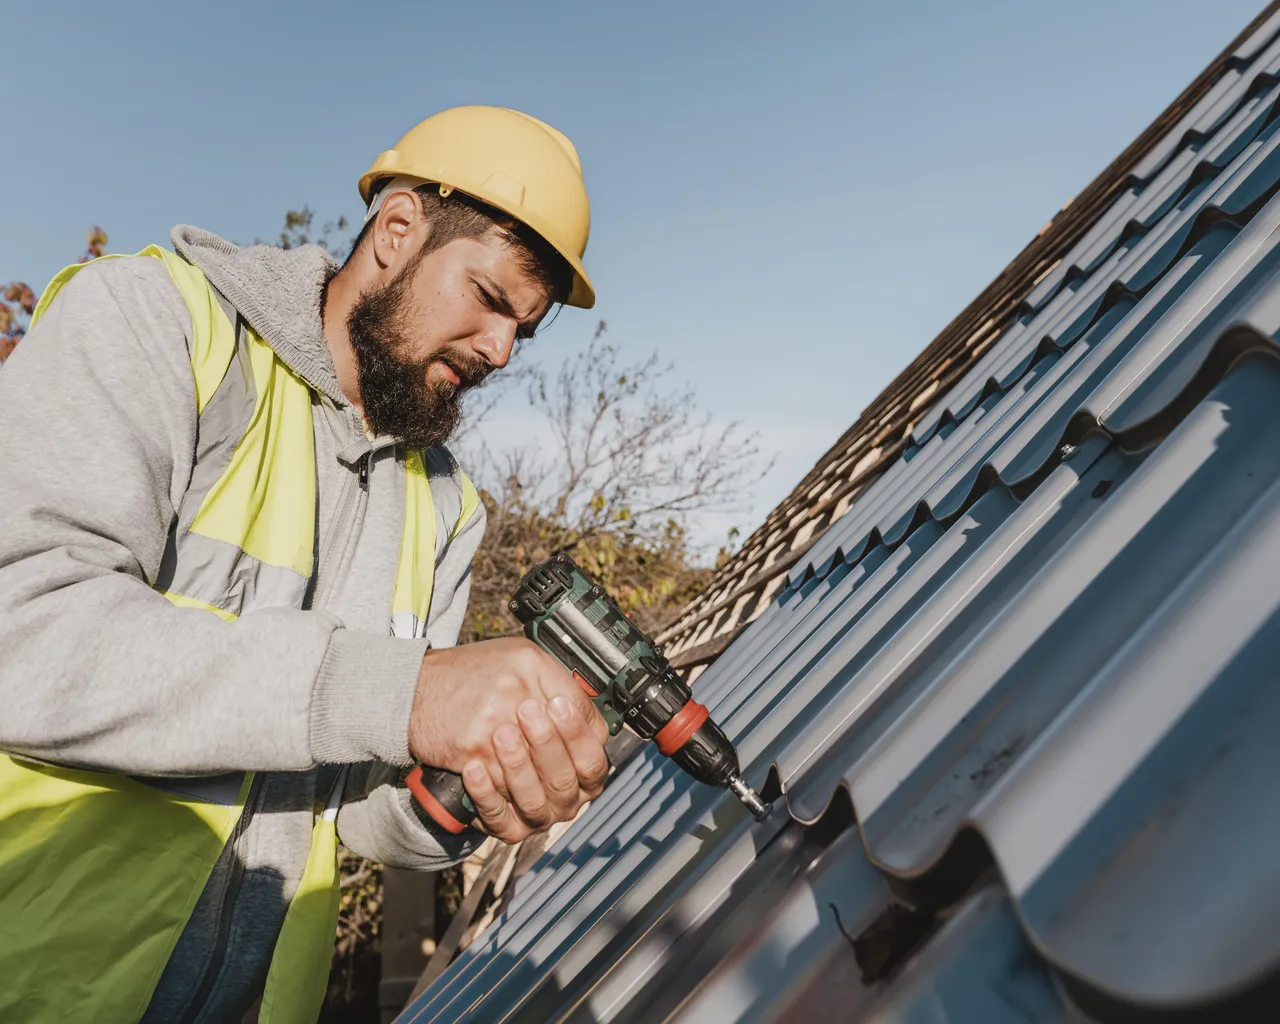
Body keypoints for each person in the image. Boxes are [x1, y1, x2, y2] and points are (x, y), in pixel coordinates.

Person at [0, 105, 609, 1023]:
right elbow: (23, 631)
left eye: (526, 327)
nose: (501, 350)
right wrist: (399, 693)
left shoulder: (443, 506)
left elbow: (357, 806)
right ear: (398, 230)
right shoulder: (156, 325)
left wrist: (469, 786)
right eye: (490, 297)